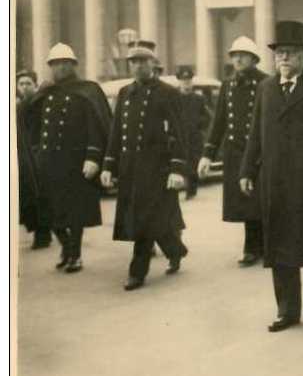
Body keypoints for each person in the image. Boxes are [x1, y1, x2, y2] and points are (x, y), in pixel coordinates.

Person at [239, 21, 303, 332]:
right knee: (280, 245)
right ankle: (288, 310)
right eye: (279, 53)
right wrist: (247, 169)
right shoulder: (267, 88)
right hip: (277, 179)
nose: (283, 58)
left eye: (291, 53)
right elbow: (255, 132)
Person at [101, 41, 190, 290]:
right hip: (131, 169)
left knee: (145, 220)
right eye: (134, 61)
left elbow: (178, 133)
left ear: (153, 64)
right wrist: (109, 164)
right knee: (155, 220)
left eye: (143, 61)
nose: (138, 65)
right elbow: (116, 132)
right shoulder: (125, 93)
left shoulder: (167, 92)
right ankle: (176, 250)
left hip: (157, 168)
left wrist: (176, 168)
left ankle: (137, 272)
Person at [25, 44, 112, 272]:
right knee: (49, 210)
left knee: (75, 211)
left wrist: (93, 157)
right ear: (50, 67)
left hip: (75, 162)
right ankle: (66, 246)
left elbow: (96, 126)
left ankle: (76, 254)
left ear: (73, 65)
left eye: (65, 63)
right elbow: (32, 123)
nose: (60, 67)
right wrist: (35, 150)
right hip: (48, 161)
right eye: (55, 63)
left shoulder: (87, 91)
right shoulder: (46, 92)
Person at [198, 36, 268, 267]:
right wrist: (208, 154)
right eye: (234, 55)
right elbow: (218, 122)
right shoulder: (228, 85)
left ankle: (268, 246)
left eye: (243, 55)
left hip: (261, 151)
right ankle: (251, 248)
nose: (237, 59)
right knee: (246, 201)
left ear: (254, 58)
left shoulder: (266, 82)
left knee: (264, 199)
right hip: (236, 152)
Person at [16, 70, 53, 249]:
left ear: (35, 85)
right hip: (25, 155)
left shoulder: (41, 103)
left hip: (40, 154)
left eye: (28, 83)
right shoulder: (18, 106)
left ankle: (43, 234)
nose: (24, 87)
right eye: (21, 84)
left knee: (40, 196)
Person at [176, 66, 211, 199]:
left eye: (188, 80)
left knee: (193, 163)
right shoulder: (174, 97)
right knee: (179, 161)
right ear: (179, 81)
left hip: (194, 137)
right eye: (183, 80)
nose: (186, 83)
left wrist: (198, 124)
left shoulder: (198, 99)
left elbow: (207, 117)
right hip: (179, 136)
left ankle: (191, 190)